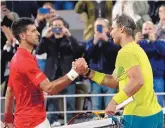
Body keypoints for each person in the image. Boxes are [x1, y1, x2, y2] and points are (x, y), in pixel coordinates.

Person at [73, 14, 163, 128]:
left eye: (113, 29)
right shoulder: (135, 49)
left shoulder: (125, 53)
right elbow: (114, 80)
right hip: (154, 114)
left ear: (121, 29)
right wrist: (87, 72)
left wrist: (114, 102)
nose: (110, 33)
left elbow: (137, 81)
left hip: (138, 117)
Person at [4, 17, 84, 128]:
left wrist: (8, 119)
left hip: (23, 121)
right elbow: (50, 88)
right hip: (35, 122)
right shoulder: (25, 60)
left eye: (36, 30)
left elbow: (10, 90)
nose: (38, 33)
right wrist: (75, 72)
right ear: (22, 36)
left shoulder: (16, 58)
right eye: (33, 31)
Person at [84, 18, 119, 110]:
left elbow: (117, 52)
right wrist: (95, 43)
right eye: (97, 26)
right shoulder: (90, 42)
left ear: (107, 29)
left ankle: (111, 123)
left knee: (110, 105)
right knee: (95, 106)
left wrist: (107, 40)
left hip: (110, 78)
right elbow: (87, 55)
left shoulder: (113, 41)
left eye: (101, 26)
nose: (99, 28)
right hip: (95, 79)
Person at [135, 21, 165, 107]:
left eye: (150, 29)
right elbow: (130, 55)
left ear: (155, 30)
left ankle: (160, 120)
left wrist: (154, 41)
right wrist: (135, 42)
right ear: (142, 31)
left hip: (157, 78)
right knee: (142, 103)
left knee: (159, 103)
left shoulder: (161, 42)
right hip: (141, 78)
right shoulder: (138, 44)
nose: (147, 31)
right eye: (145, 29)